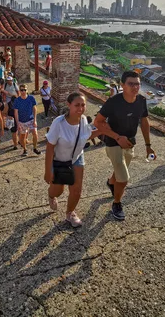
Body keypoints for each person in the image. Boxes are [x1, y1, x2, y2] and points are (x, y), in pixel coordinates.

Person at [94, 71, 155, 221]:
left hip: (130, 142)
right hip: (113, 142)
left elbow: (145, 122)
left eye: (137, 84)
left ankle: (110, 183)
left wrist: (148, 145)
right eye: (131, 84)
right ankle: (117, 204)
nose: (135, 87)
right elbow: (98, 122)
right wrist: (117, 137)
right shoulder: (114, 102)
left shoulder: (141, 100)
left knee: (119, 172)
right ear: (122, 85)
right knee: (124, 178)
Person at [45, 93, 105, 228]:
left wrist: (103, 130)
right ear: (69, 104)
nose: (80, 108)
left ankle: (70, 213)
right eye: (77, 105)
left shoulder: (83, 120)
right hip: (59, 160)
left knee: (77, 190)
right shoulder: (59, 123)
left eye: (83, 105)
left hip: (77, 158)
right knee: (58, 191)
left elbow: (86, 136)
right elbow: (50, 147)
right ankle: (51, 195)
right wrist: (48, 171)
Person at [14, 84, 41, 156]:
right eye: (21, 90)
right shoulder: (17, 100)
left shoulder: (31, 98)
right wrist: (17, 123)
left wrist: (35, 119)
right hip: (22, 121)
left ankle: (35, 148)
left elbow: (34, 108)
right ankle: (25, 149)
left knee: (35, 134)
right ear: (19, 91)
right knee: (22, 137)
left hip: (31, 119)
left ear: (27, 90)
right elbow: (16, 113)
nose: (23, 91)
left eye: (24, 90)